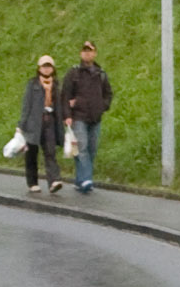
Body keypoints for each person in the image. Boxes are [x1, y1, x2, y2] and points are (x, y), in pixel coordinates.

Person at [60, 38, 113, 196]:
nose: (87, 53)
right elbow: (65, 95)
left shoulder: (101, 74)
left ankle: (79, 180)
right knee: (82, 147)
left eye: (90, 50)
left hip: (95, 118)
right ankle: (86, 180)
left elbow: (108, 94)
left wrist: (102, 106)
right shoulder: (73, 73)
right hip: (78, 117)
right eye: (85, 50)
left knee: (91, 149)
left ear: (95, 53)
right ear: (80, 53)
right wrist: (67, 115)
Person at [17, 52, 65, 197]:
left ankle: (54, 181)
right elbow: (26, 105)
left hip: (50, 121)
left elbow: (59, 106)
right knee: (31, 152)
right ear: (39, 68)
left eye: (49, 66)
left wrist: (62, 120)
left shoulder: (56, 85)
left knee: (50, 151)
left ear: (53, 68)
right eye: (44, 66)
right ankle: (32, 183)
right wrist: (21, 125)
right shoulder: (33, 84)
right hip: (34, 122)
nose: (46, 69)